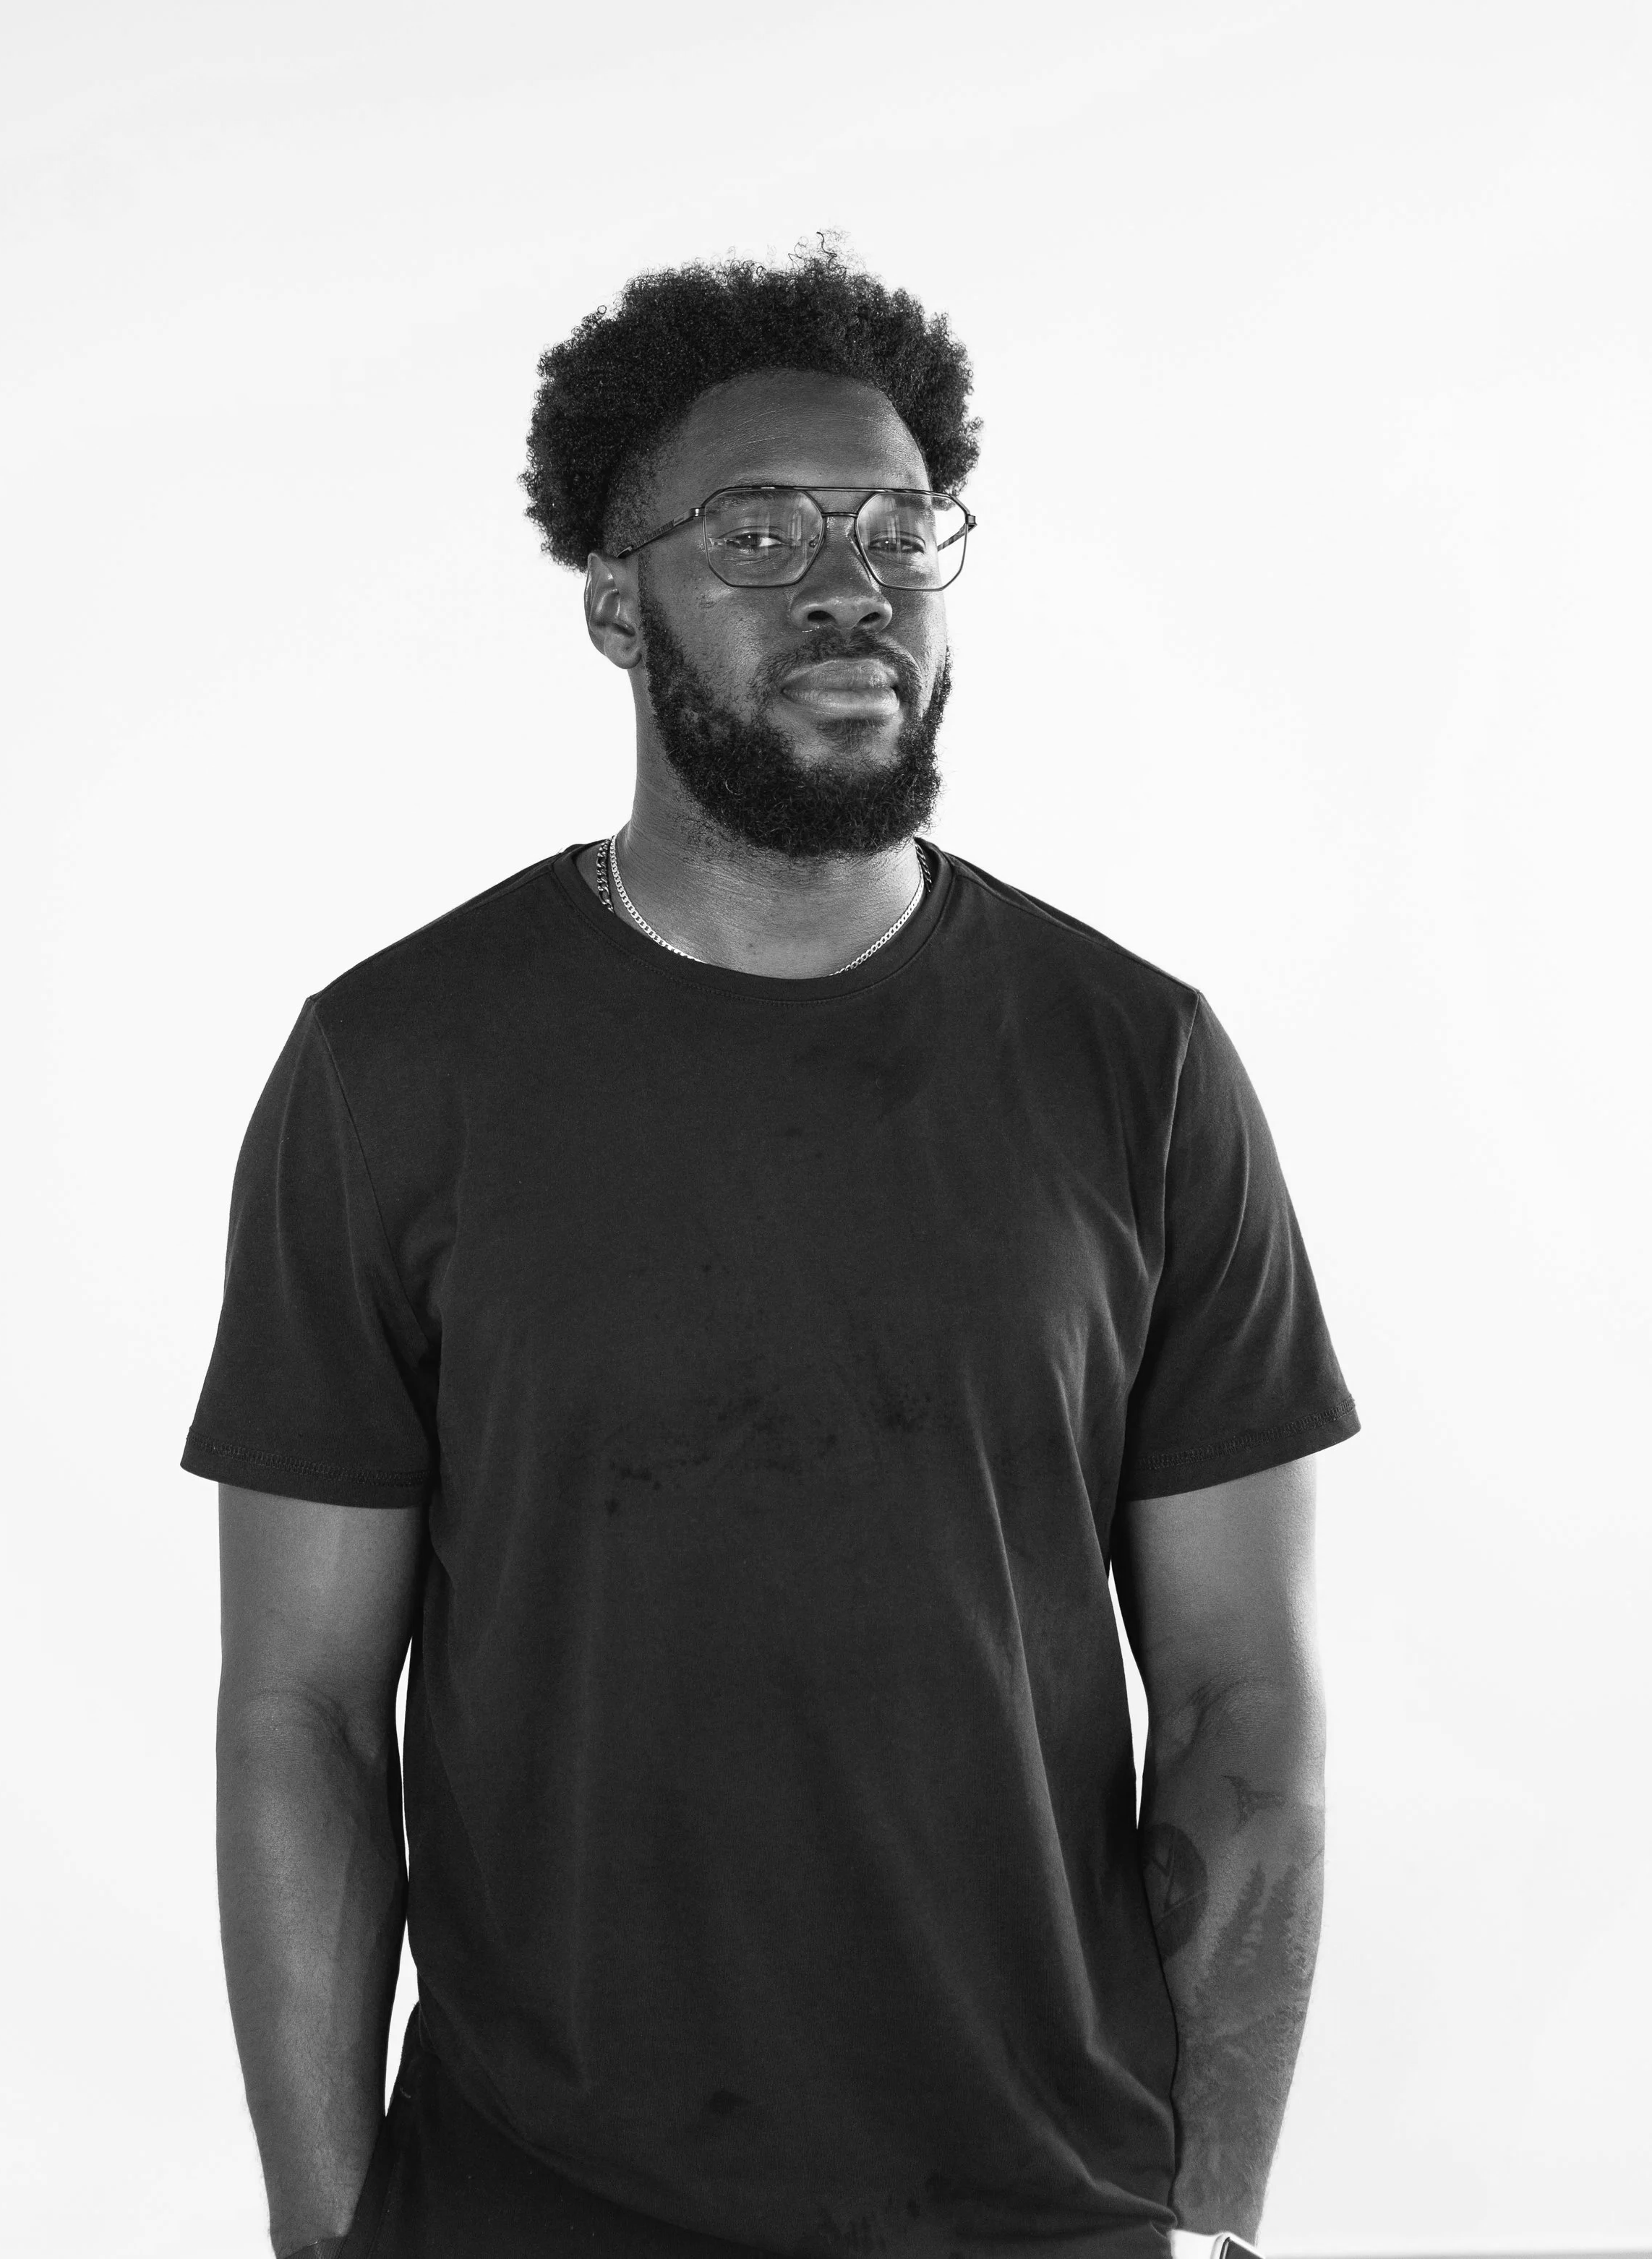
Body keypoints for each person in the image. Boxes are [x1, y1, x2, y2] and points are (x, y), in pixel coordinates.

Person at [187, 242, 1358, 2259]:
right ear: (613, 601)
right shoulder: (391, 1068)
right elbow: (299, 1707)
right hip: (526, 2198)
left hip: (1042, 2202)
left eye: (899, 526)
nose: (848, 581)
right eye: (757, 532)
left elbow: (1243, 1710)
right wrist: (326, 2229)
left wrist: (1211, 2214)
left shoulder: (1136, 1062)